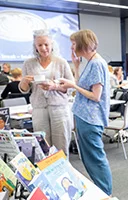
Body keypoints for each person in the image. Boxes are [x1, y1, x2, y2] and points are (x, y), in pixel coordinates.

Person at [58, 29, 112, 196]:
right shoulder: (92, 62)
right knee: (91, 158)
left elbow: (95, 96)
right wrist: (75, 65)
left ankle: (105, 193)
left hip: (90, 118)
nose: (72, 47)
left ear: (81, 44)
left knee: (95, 159)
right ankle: (102, 191)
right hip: (86, 117)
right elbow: (82, 84)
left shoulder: (96, 63)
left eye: (74, 43)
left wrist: (72, 86)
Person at [18, 29, 73, 156]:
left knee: (61, 144)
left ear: (52, 44)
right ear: (35, 47)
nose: (43, 48)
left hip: (59, 107)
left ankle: (63, 173)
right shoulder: (28, 63)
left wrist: (55, 86)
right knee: (43, 146)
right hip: (39, 109)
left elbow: (71, 86)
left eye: (46, 44)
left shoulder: (61, 62)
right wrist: (24, 82)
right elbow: (24, 89)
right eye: (40, 45)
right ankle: (47, 173)